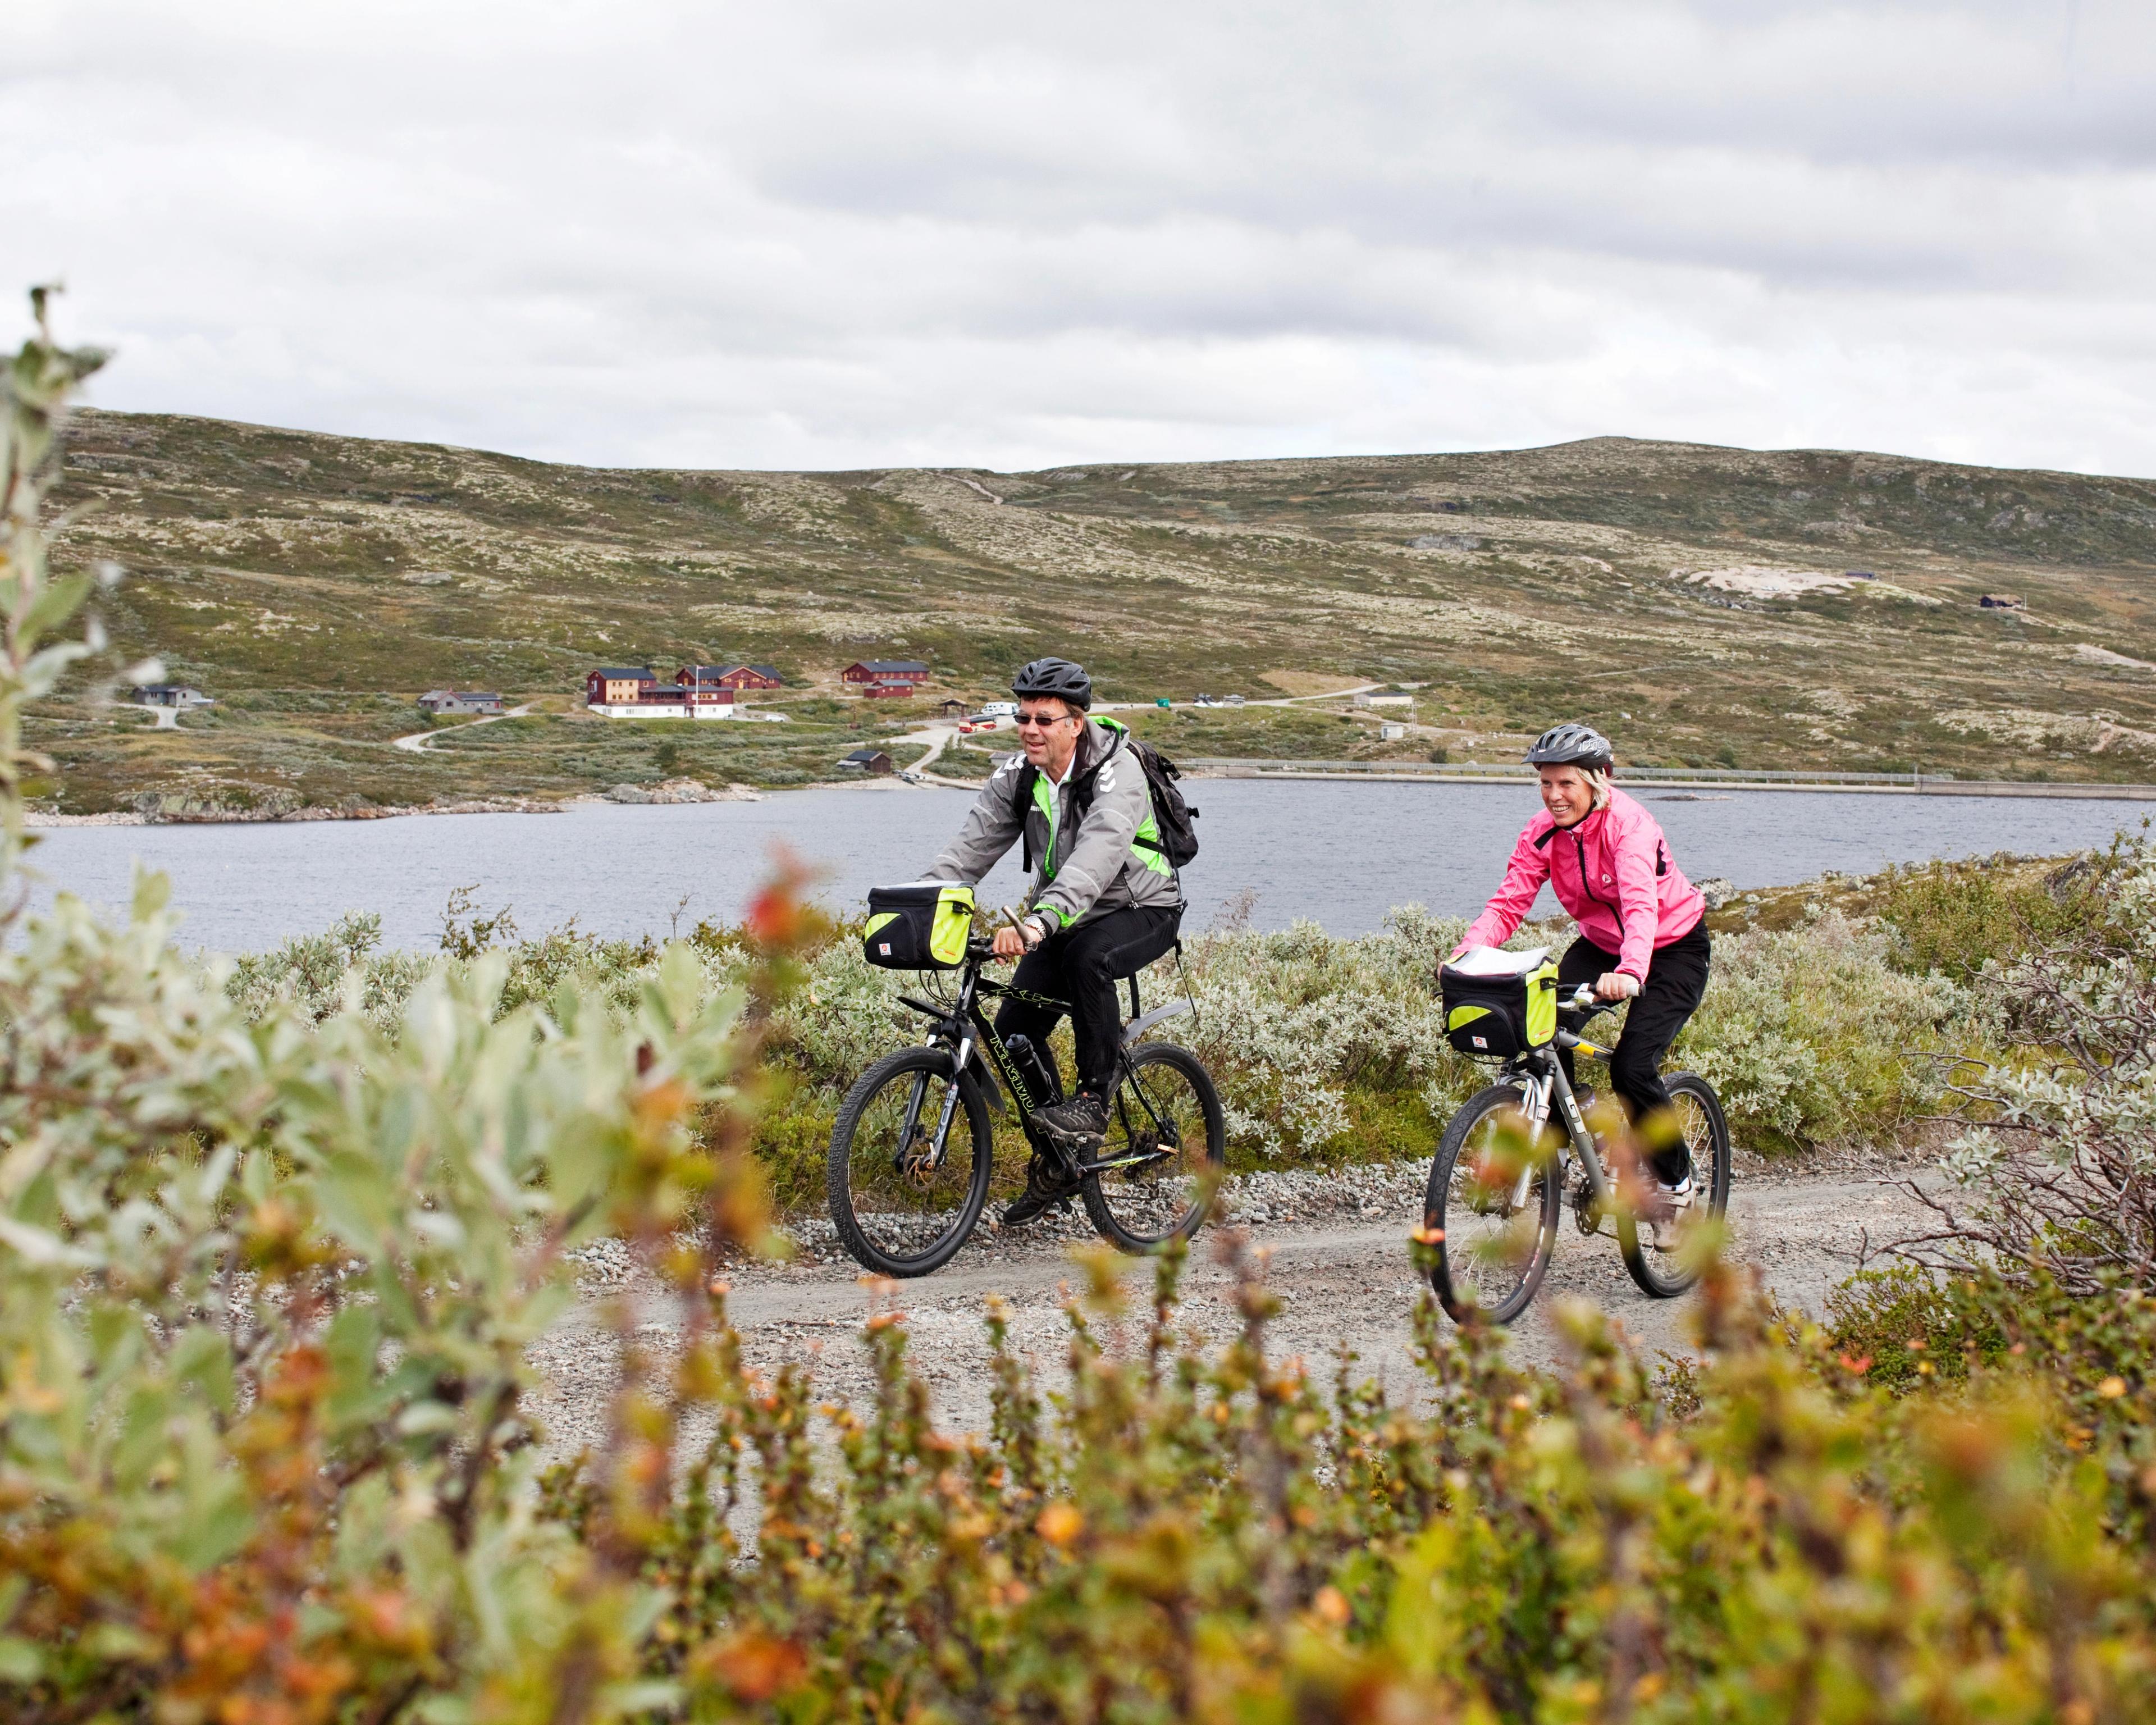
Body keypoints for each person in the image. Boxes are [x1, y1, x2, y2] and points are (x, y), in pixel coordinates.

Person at [928, 656, 1185, 1225]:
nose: (1029, 729)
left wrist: (1040, 923)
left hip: (1141, 907)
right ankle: (1056, 1163)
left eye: (1044, 719)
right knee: (1015, 1028)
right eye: (1022, 717)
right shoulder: (1018, 776)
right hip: (1065, 914)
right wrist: (918, 905)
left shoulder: (1119, 774)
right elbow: (966, 852)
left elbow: (1097, 856)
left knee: (1090, 959)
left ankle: (1094, 1102)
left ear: (1076, 723)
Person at [1450, 722, 1710, 1201]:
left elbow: (1639, 905)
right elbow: (1509, 903)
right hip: (1600, 944)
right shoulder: (1543, 833)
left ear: (1598, 781)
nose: (1554, 795)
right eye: (1546, 783)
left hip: (1674, 947)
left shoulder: (1629, 828)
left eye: (1566, 783)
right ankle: (1567, 1136)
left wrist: (1632, 971)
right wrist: (1469, 953)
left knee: (1632, 1068)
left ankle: (1677, 1182)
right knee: (1539, 1026)